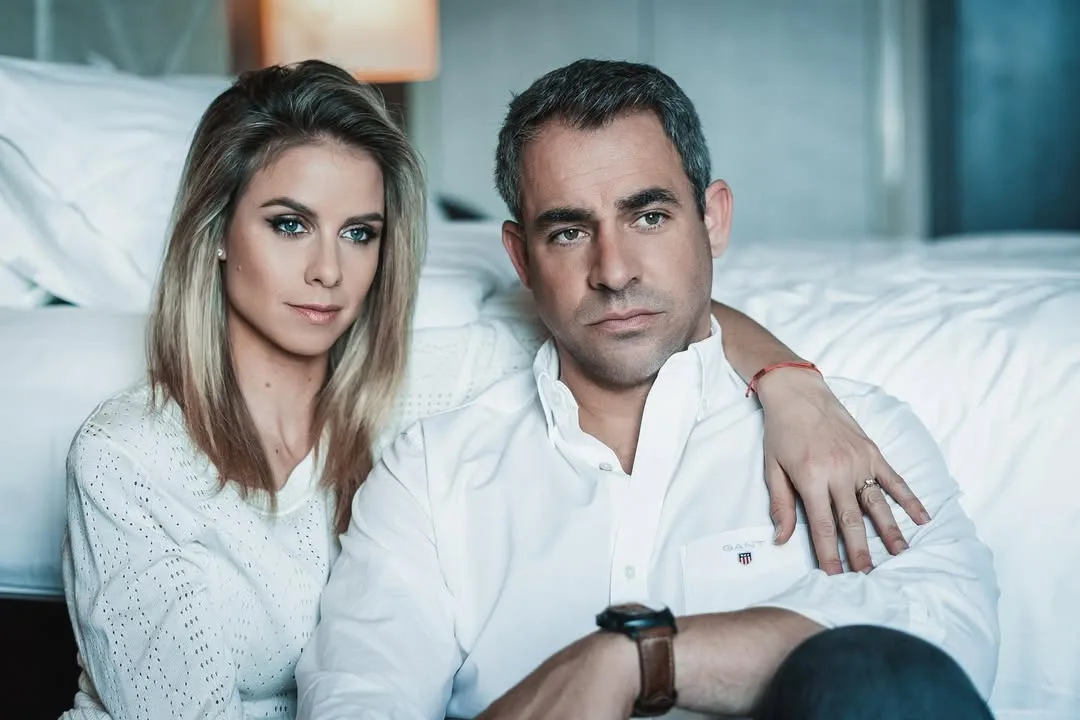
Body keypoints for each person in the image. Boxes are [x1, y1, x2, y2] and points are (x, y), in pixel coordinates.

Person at [62, 60, 922, 720]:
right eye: (290, 225)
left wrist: (790, 384)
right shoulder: (128, 458)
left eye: (360, 233)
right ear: (216, 231)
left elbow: (636, 309)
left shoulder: (430, 385)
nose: (328, 270)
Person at [295, 60, 1000, 720]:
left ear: (713, 219)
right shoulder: (430, 475)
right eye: (568, 232)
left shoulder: (855, 434)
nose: (614, 271)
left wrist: (640, 658)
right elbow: (357, 701)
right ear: (521, 257)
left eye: (649, 217)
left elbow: (939, 648)